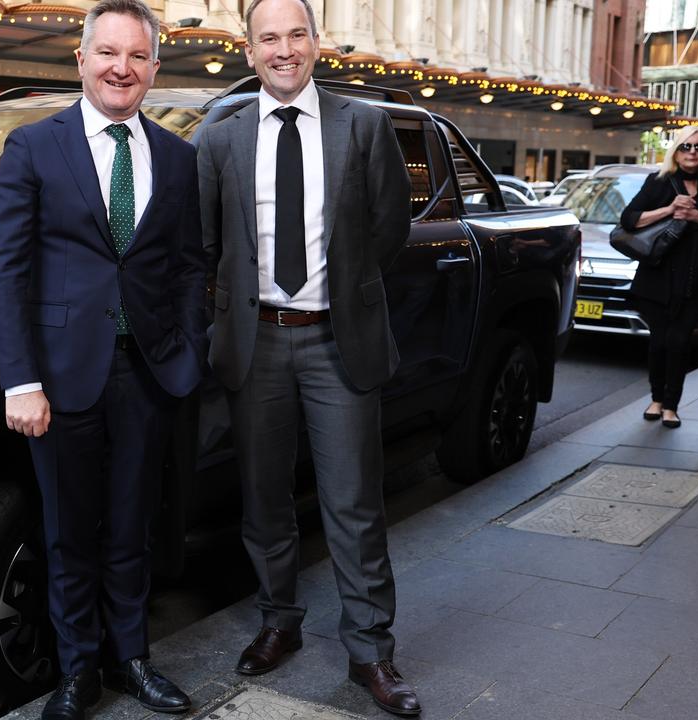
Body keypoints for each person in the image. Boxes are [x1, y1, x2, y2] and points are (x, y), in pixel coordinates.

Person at [196, 0, 420, 716]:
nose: (284, 49)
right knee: (264, 502)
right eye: (270, 38)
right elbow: (205, 246)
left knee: (353, 505)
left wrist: (343, 295)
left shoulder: (364, 125)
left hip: (337, 340)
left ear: (317, 44)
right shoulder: (220, 137)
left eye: (297, 34)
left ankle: (371, 656)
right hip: (254, 342)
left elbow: (390, 229)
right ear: (248, 48)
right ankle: (278, 623)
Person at [0, 0, 207, 717]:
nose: (122, 68)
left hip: (147, 373)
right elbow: (7, 272)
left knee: (134, 525)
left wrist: (187, 349)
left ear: (153, 69)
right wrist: (21, 379)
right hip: (57, 379)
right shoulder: (32, 147)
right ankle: (77, 671)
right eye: (108, 53)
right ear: (80, 60)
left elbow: (189, 266)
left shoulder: (177, 157)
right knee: (68, 533)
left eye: (137, 56)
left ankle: (131, 659)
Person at [621, 125, 698, 429]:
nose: (692, 152)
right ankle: (656, 399)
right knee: (658, 343)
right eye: (686, 146)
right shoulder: (658, 183)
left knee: (679, 343)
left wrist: (697, 217)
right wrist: (669, 209)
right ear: (676, 151)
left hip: (695, 281)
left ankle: (671, 406)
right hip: (657, 279)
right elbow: (629, 220)